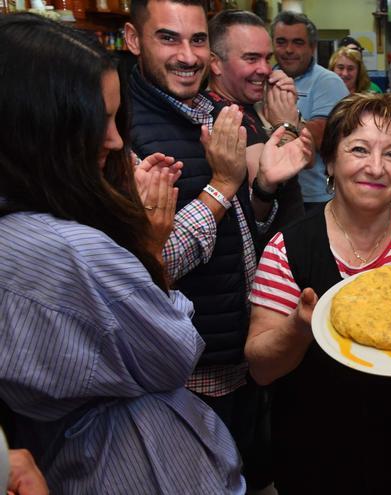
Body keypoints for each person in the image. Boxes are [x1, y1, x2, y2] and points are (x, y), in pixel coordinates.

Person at [0, 13, 246, 493]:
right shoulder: (68, 249)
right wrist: (151, 240)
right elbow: (173, 352)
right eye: (99, 121)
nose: (114, 140)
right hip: (126, 460)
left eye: (199, 40)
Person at [123, 0, 311, 487]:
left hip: (238, 356)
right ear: (131, 39)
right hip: (188, 373)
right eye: (168, 38)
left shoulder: (216, 112)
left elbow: (247, 233)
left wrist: (264, 189)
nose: (187, 55)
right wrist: (224, 185)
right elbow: (147, 267)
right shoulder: (123, 132)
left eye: (197, 40)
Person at [245, 93, 391, 494]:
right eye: (359, 149)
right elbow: (261, 368)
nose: (375, 167)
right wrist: (300, 327)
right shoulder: (288, 247)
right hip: (314, 454)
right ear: (330, 161)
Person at [206, 9, 310, 237]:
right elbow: (259, 205)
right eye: (251, 58)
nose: (265, 69)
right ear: (215, 63)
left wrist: (289, 114)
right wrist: (286, 125)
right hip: (270, 256)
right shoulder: (227, 115)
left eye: (267, 58)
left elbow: (308, 157)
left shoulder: (251, 104)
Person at [272, 11, 350, 212]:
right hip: (270, 194)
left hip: (315, 198)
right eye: (281, 42)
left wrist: (286, 117)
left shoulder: (327, 82)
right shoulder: (264, 78)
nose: (289, 49)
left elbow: (323, 137)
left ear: (312, 47)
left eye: (298, 42)